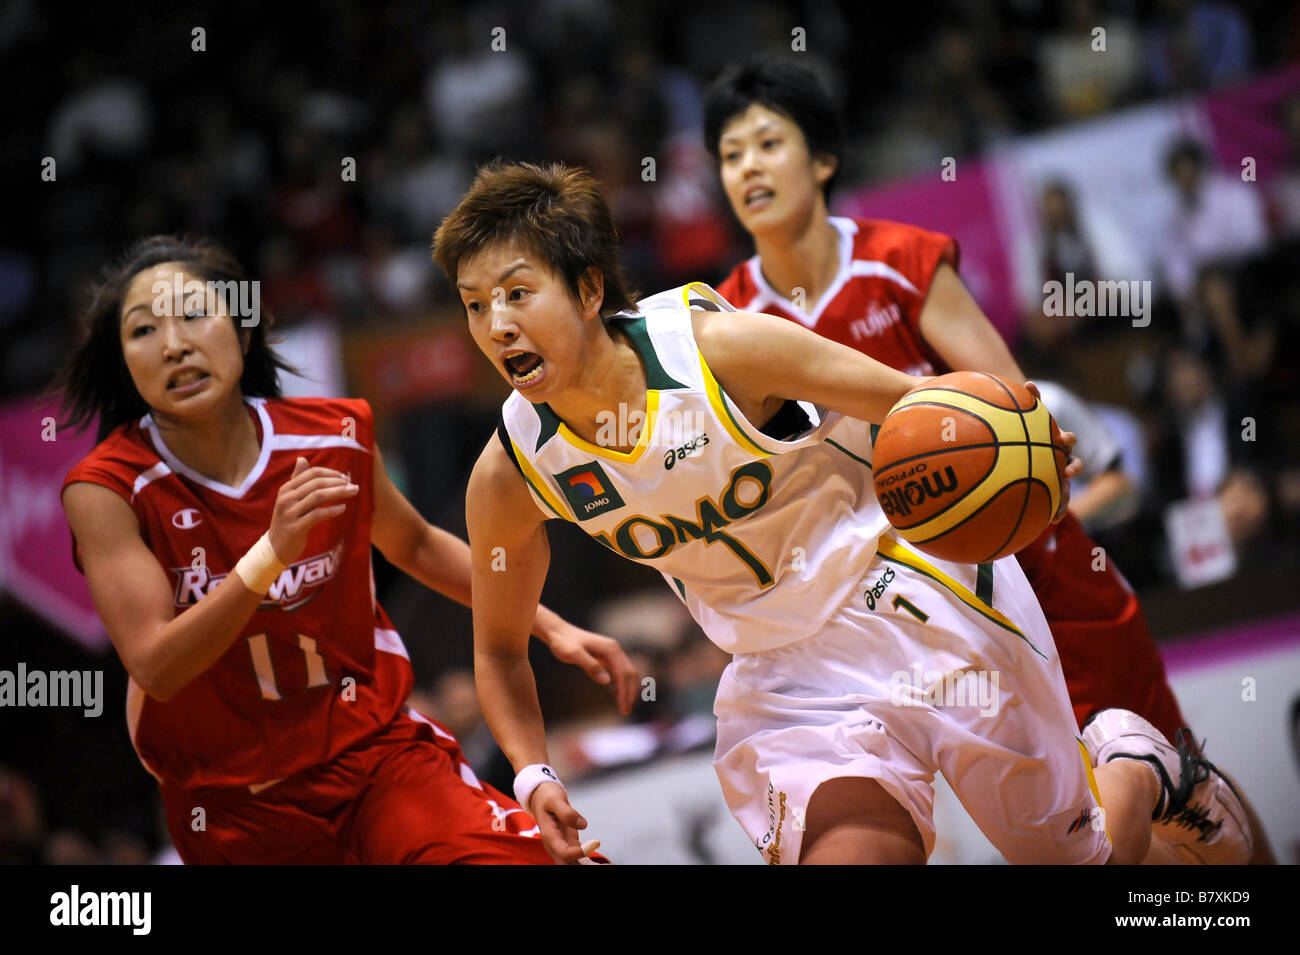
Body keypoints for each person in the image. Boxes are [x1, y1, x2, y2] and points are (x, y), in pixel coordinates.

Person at [432, 159, 1249, 865]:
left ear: (586, 289)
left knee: (1082, 854)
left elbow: (910, 401)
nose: (495, 324)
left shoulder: (718, 351)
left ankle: (1142, 760)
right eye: (474, 305)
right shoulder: (511, 472)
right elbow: (501, 650)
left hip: (913, 589)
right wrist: (533, 772)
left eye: (515, 293)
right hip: (786, 671)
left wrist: (1020, 433)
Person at [703, 55, 1269, 864]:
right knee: (1083, 834)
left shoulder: (898, 260)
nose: (748, 166)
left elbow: (1011, 396)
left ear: (822, 159)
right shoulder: (729, 321)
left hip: (1025, 548)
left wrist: (1023, 438)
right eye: (730, 154)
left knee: (1175, 762)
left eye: (767, 143)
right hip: (905, 602)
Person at [57, 235, 638, 864]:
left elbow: (414, 544)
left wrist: (547, 626)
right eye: (143, 330)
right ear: (123, 362)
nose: (174, 344)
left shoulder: (333, 433)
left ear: (244, 332)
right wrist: (269, 555)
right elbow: (156, 665)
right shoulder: (107, 488)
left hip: (375, 756)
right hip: (232, 805)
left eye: (194, 315)